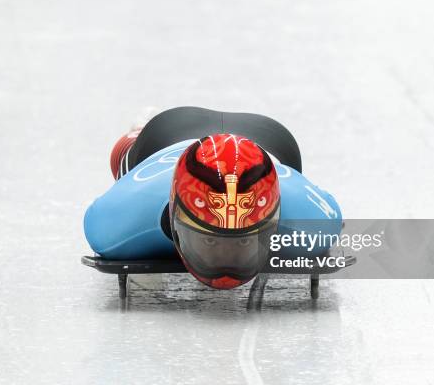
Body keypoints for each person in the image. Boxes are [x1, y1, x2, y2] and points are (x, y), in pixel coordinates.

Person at [83, 106, 342, 288]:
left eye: (243, 243)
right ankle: (139, 132)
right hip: (166, 138)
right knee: (122, 155)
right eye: (209, 241)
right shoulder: (118, 224)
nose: (226, 261)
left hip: (265, 142)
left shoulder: (112, 232)